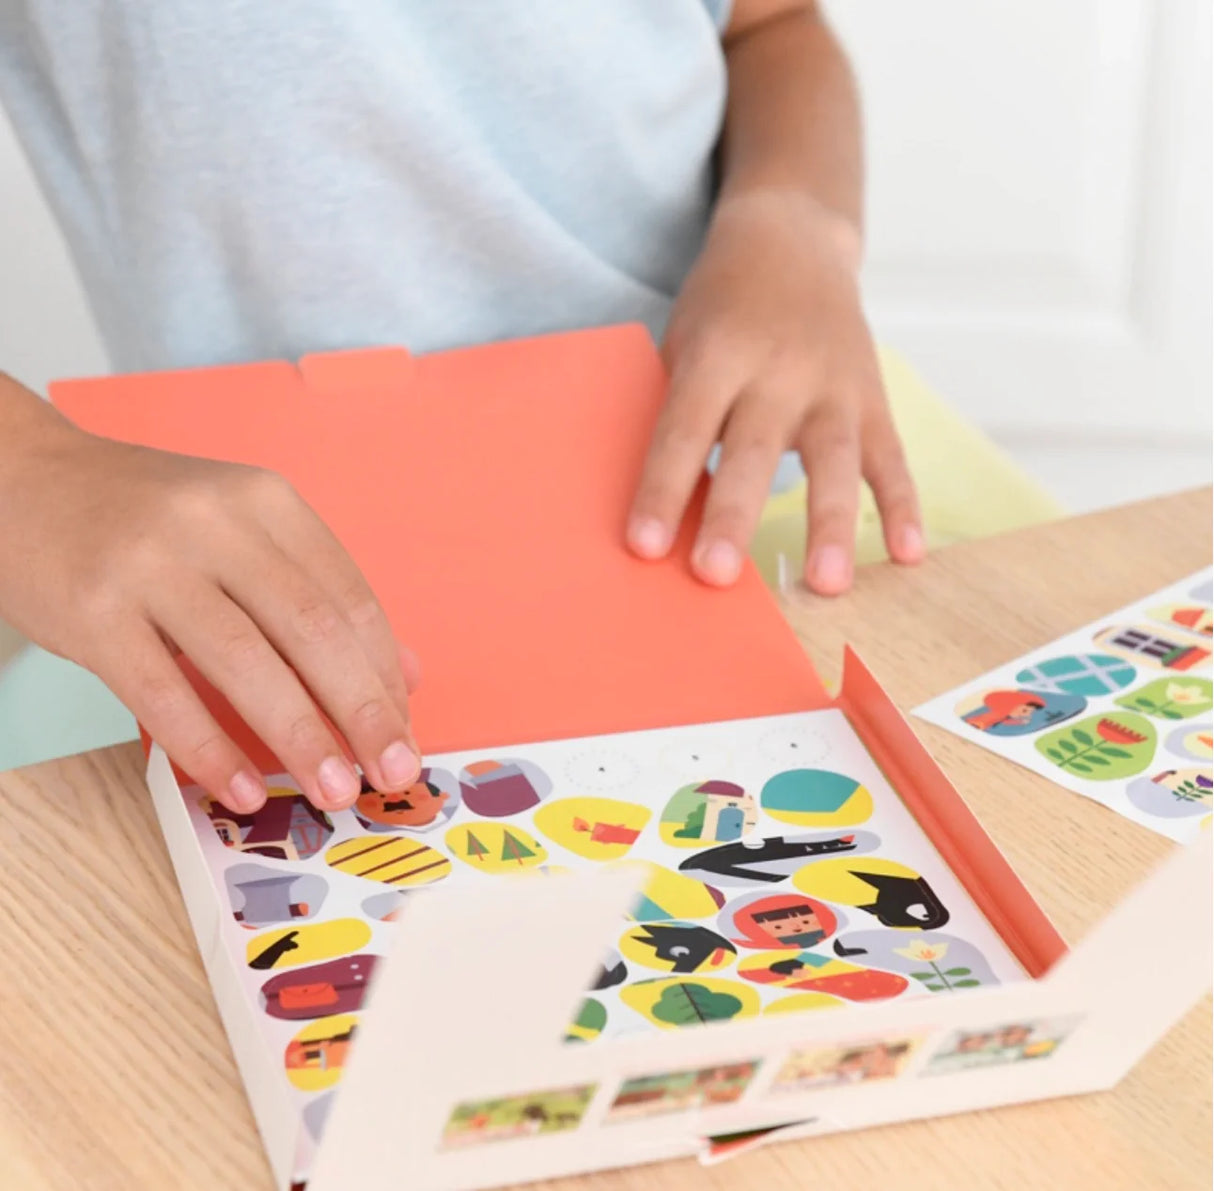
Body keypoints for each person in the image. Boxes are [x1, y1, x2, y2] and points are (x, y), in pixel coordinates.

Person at [0, 2, 922, 816]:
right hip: (226, 568)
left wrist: (796, 221)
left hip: (739, 464)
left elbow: (772, 24)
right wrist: (25, 470)